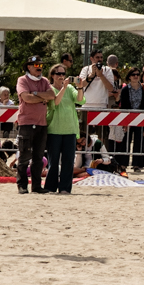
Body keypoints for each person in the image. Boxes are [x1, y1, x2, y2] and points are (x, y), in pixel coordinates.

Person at [11, 55, 55, 193]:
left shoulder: (45, 80)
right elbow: (26, 98)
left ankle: (36, 186)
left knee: (38, 158)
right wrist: (42, 97)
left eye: (41, 65)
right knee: (24, 156)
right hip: (26, 123)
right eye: (36, 65)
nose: (39, 68)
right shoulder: (22, 80)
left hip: (42, 123)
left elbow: (51, 95)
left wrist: (35, 93)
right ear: (29, 67)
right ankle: (22, 185)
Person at [44, 64, 81, 193]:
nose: (61, 76)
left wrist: (80, 87)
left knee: (68, 161)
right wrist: (64, 87)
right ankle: (50, 187)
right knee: (53, 162)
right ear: (52, 75)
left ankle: (65, 187)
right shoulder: (49, 89)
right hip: (54, 129)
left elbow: (80, 100)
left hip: (70, 129)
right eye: (58, 74)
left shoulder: (70, 88)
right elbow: (55, 102)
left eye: (63, 74)